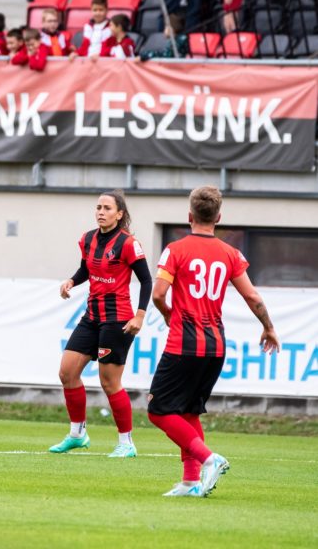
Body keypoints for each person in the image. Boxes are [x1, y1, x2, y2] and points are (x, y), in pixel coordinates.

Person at [149, 186, 279, 497]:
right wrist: (268, 327)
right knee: (189, 412)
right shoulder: (231, 253)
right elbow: (253, 296)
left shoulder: (175, 249)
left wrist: (168, 313)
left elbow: (157, 294)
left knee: (158, 410)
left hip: (185, 343)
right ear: (218, 217)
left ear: (189, 216)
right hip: (215, 345)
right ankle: (191, 482)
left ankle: (210, 459)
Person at [52, 190, 152, 458]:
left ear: (119, 214)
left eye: (107, 208)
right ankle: (77, 434)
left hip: (117, 320)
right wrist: (72, 281)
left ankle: (126, 442)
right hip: (91, 317)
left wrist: (140, 315)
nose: (100, 211)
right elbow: (86, 268)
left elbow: (146, 280)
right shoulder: (87, 239)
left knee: (109, 382)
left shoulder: (129, 243)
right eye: (98, 207)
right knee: (67, 372)